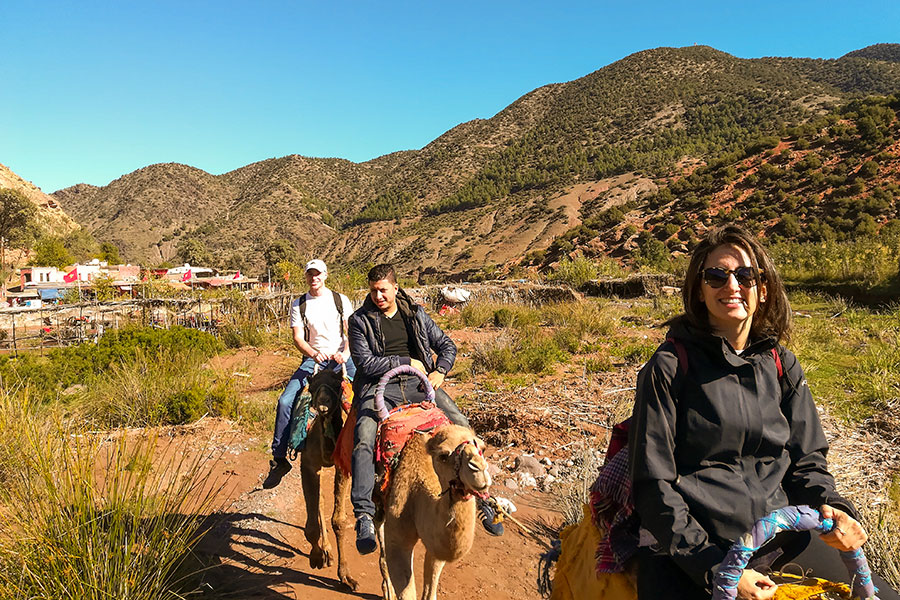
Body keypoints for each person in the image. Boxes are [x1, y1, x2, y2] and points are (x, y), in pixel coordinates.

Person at [628, 225, 898, 600]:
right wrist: (716, 568)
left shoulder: (781, 364)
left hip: (780, 539)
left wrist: (834, 507)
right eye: (717, 276)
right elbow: (652, 485)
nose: (732, 285)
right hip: (692, 549)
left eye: (745, 275)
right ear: (700, 290)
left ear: (763, 289)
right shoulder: (670, 367)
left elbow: (808, 461)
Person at [348, 263, 502, 555]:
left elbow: (447, 346)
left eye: (383, 290)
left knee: (461, 425)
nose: (378, 296)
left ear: (395, 287)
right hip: (378, 387)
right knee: (364, 437)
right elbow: (364, 363)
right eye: (373, 291)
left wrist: (440, 371)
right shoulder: (359, 321)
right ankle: (364, 515)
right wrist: (405, 361)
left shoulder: (415, 314)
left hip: (420, 384)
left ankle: (483, 497)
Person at [263, 259, 356, 489]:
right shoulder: (299, 304)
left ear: (325, 275)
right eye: (310, 274)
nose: (314, 278)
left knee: (365, 397)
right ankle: (279, 459)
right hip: (313, 361)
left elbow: (351, 332)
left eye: (317, 274)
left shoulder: (340, 300)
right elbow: (298, 338)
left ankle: (374, 455)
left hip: (341, 359)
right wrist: (314, 354)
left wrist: (345, 353)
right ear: (306, 277)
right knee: (285, 401)